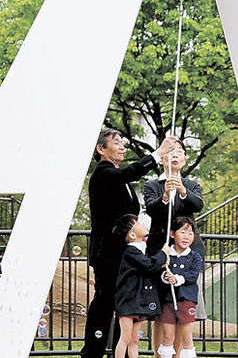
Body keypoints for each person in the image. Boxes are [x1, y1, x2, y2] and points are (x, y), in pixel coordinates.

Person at [81, 128, 176, 358]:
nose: (122, 147)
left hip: (123, 252)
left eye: (122, 142)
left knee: (123, 304)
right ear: (101, 149)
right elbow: (130, 173)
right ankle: (92, 353)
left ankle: (119, 352)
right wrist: (158, 153)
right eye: (116, 142)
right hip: (108, 253)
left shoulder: (118, 177)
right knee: (105, 301)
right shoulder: (103, 173)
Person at [144, 141, 206, 358]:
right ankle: (159, 355)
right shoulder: (152, 185)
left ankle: (179, 355)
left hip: (186, 255)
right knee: (162, 311)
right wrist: (164, 196)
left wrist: (181, 190)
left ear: (185, 159)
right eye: (170, 152)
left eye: (179, 152)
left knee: (183, 308)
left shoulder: (191, 185)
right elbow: (151, 209)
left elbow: (197, 205)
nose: (175, 155)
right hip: (160, 252)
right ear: (163, 158)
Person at [113, 214, 170, 358]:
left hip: (137, 301)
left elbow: (149, 266)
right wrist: (163, 254)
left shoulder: (140, 250)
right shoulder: (130, 251)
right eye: (137, 223)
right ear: (132, 235)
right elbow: (149, 265)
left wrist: (161, 261)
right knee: (125, 338)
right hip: (127, 302)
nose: (141, 223)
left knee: (134, 340)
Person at [157, 217, 202, 358]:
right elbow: (158, 272)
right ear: (172, 234)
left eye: (190, 233)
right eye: (182, 232)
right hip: (168, 300)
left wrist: (177, 279)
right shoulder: (166, 255)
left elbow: (193, 275)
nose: (186, 237)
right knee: (167, 337)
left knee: (186, 338)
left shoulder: (195, 256)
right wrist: (165, 276)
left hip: (186, 300)